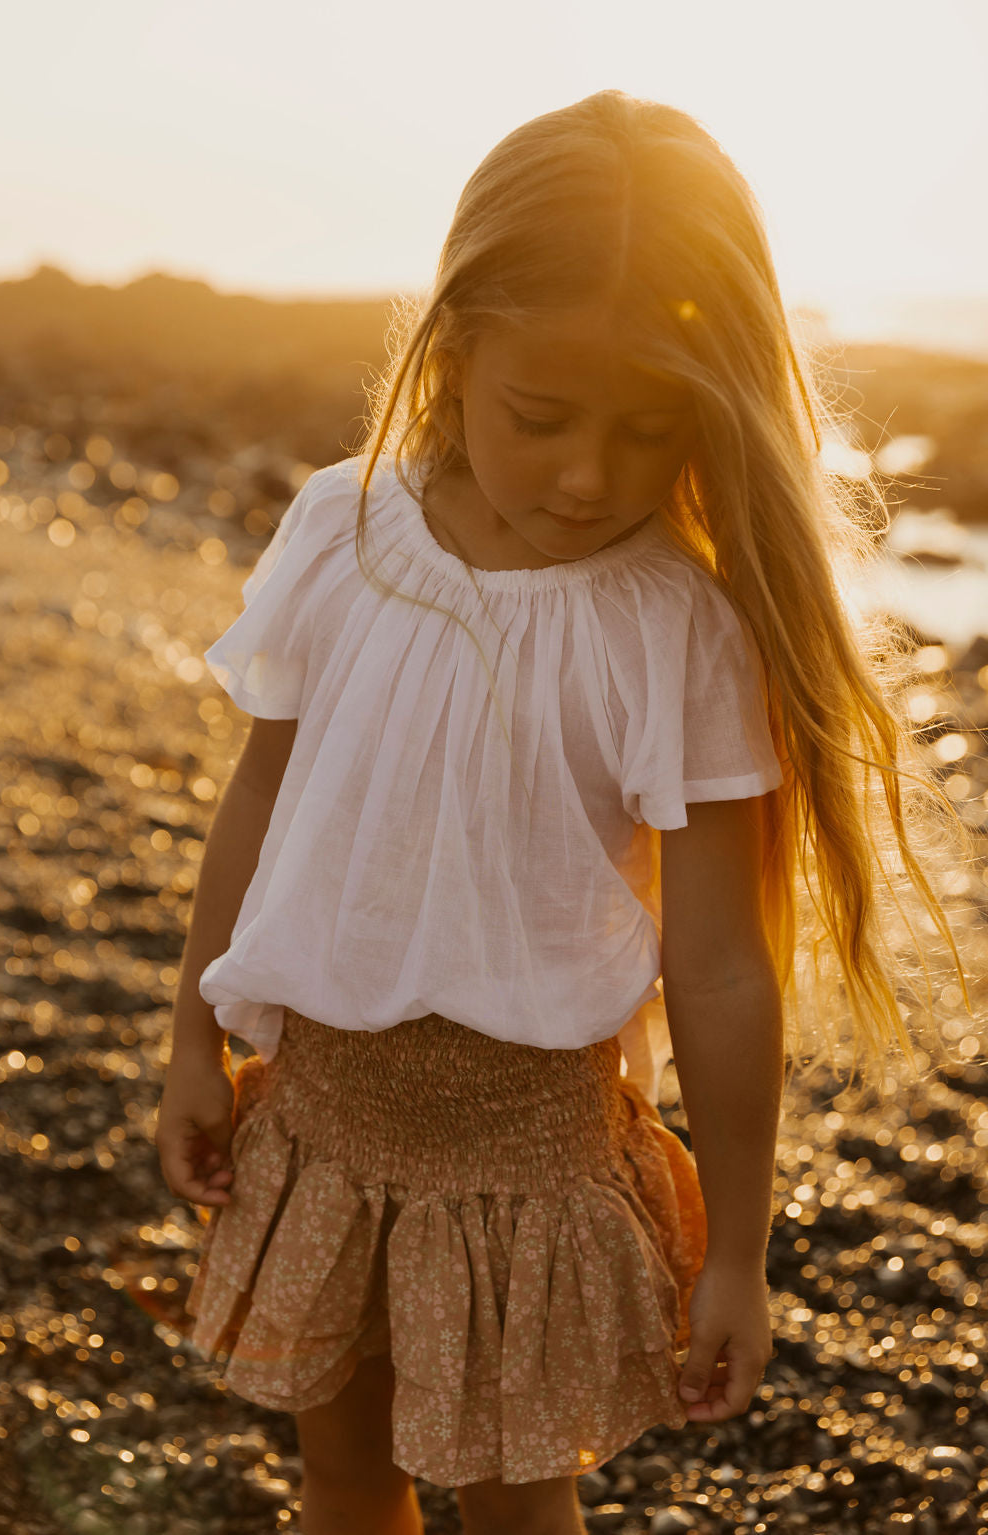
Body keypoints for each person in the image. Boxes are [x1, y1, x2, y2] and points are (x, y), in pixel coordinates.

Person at [154, 90, 974, 1535]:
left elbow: (721, 968)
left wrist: (740, 1252)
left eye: (650, 430)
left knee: (516, 1508)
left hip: (528, 1165)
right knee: (344, 1472)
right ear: (455, 351)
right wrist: (190, 1042)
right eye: (540, 418)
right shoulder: (346, 531)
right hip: (323, 1118)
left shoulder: (675, 629)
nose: (589, 477)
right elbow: (266, 792)